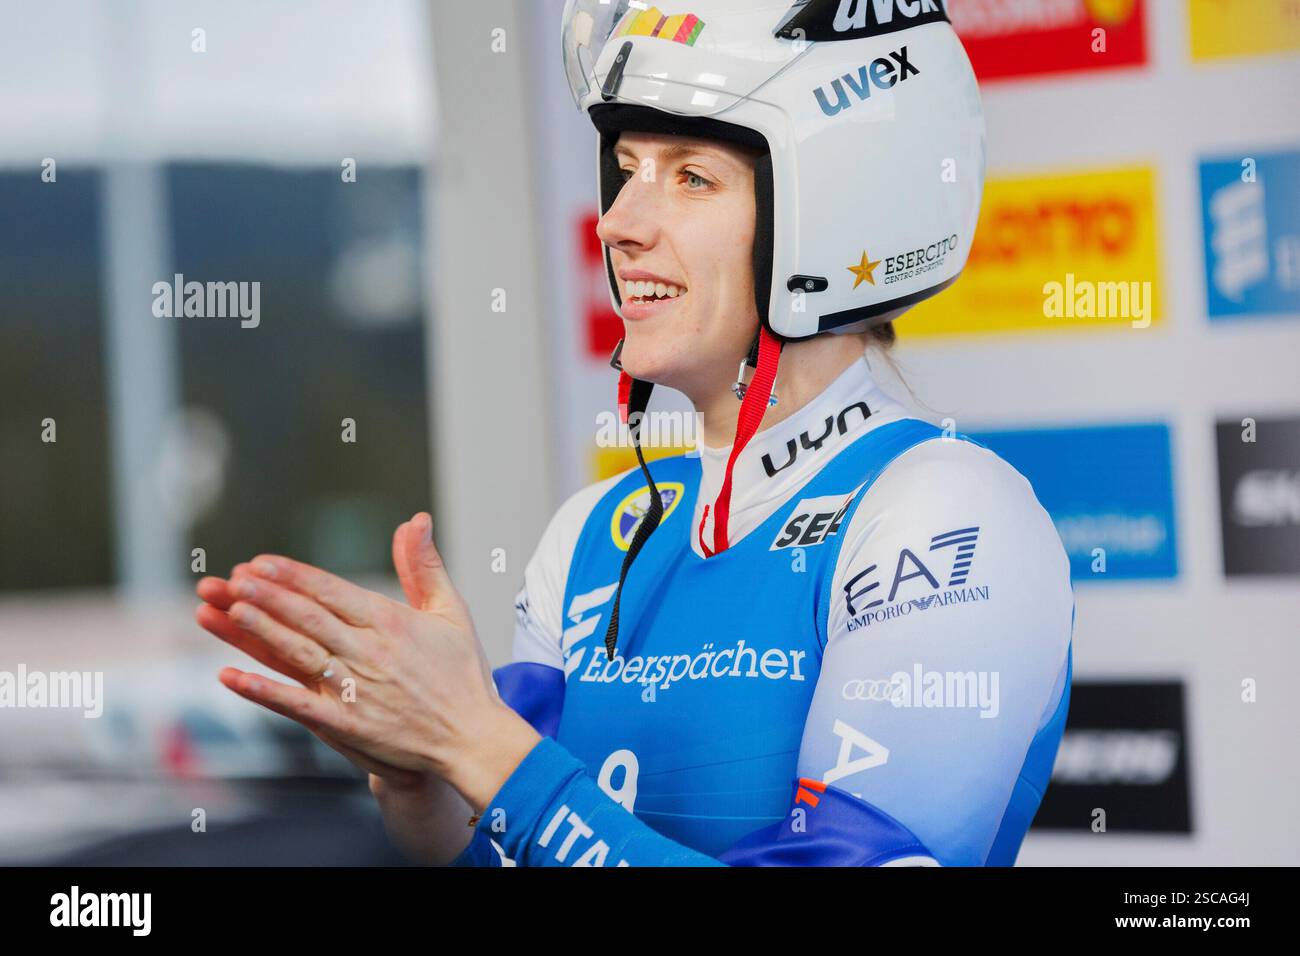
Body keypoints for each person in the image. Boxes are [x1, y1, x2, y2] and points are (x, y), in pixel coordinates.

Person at [195, 0, 1074, 867]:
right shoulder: (591, 536)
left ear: (845, 209)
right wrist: (420, 782)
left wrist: (480, 746)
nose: (617, 222)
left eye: (692, 176)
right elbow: (510, 854)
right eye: (626, 165)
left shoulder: (947, 517)